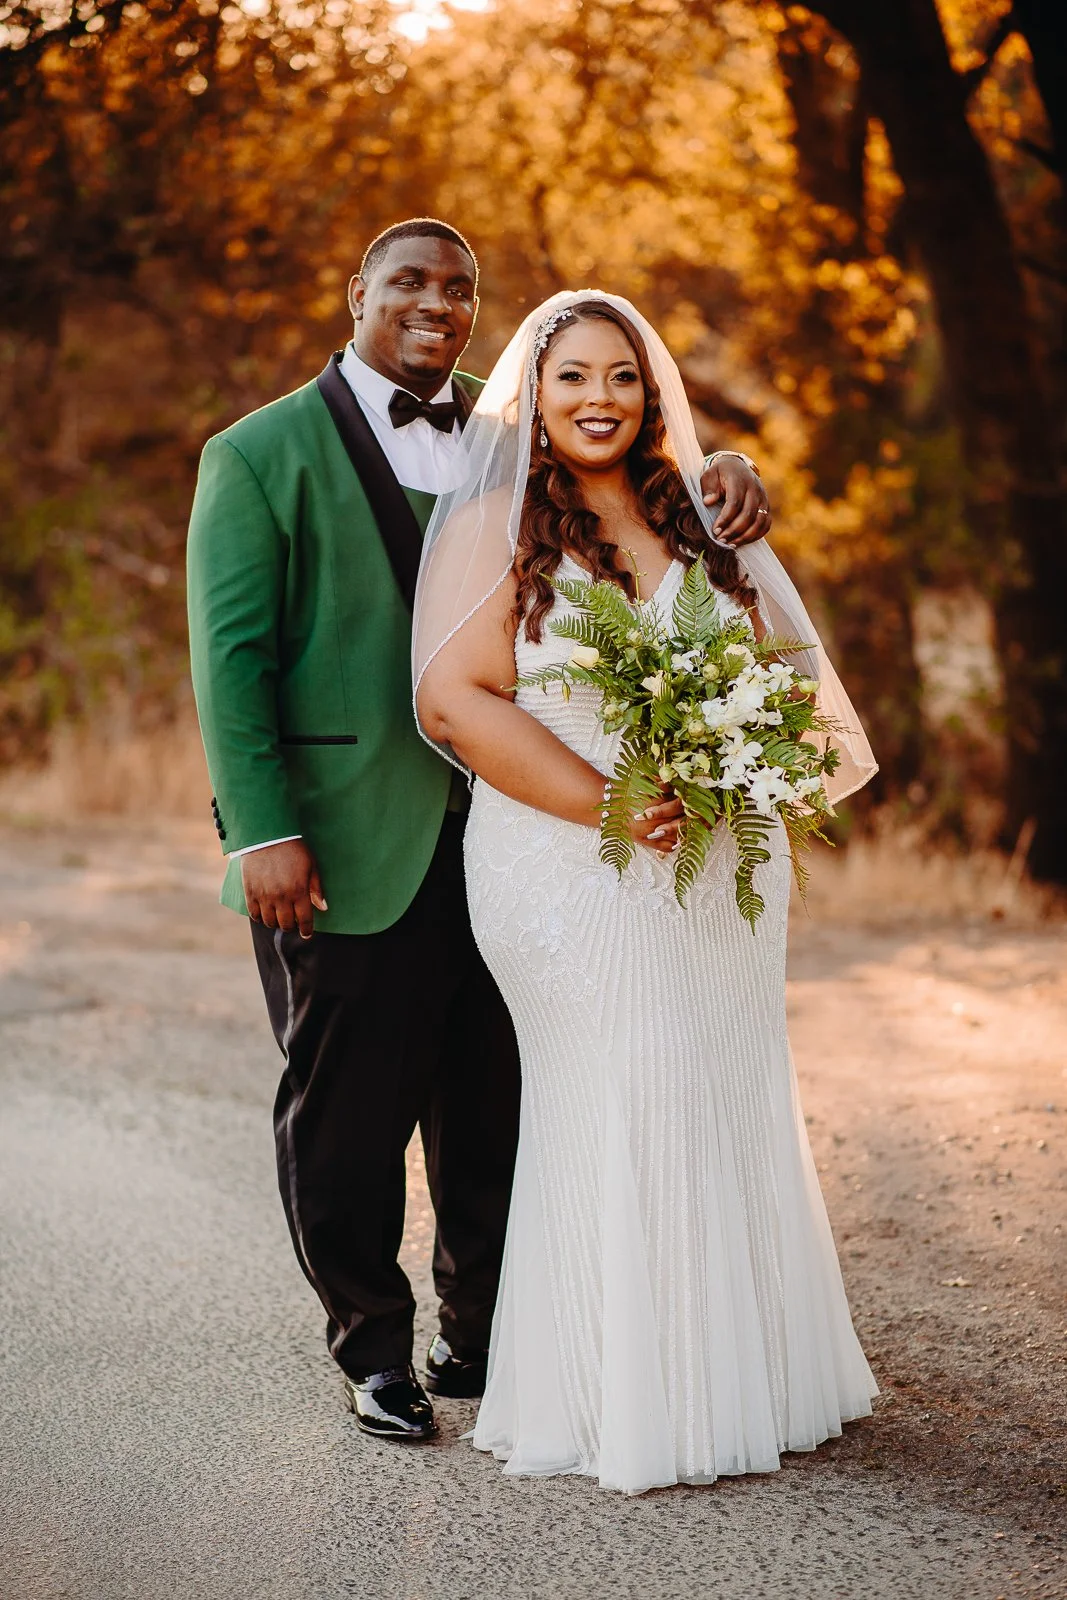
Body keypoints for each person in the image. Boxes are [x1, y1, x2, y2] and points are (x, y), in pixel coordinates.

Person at [186, 225, 771, 1445]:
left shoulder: (508, 437)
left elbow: (618, 450)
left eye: (458, 289)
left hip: (518, 842)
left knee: (497, 1097)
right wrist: (259, 831)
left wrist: (723, 459)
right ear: (355, 293)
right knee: (346, 1112)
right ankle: (369, 1346)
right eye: (407, 280)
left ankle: (482, 1330)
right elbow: (228, 662)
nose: (436, 304)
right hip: (350, 836)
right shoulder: (256, 454)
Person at [415, 290, 879, 1493]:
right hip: (570, 858)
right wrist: (604, 797)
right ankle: (617, 1393)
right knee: (630, 1082)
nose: (598, 399)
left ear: (650, 388)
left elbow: (782, 662)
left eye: (620, 376)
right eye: (572, 377)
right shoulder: (489, 522)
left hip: (721, 856)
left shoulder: (698, 513)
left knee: (718, 1082)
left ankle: (745, 1378)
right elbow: (452, 701)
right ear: (535, 390)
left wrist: (741, 749)